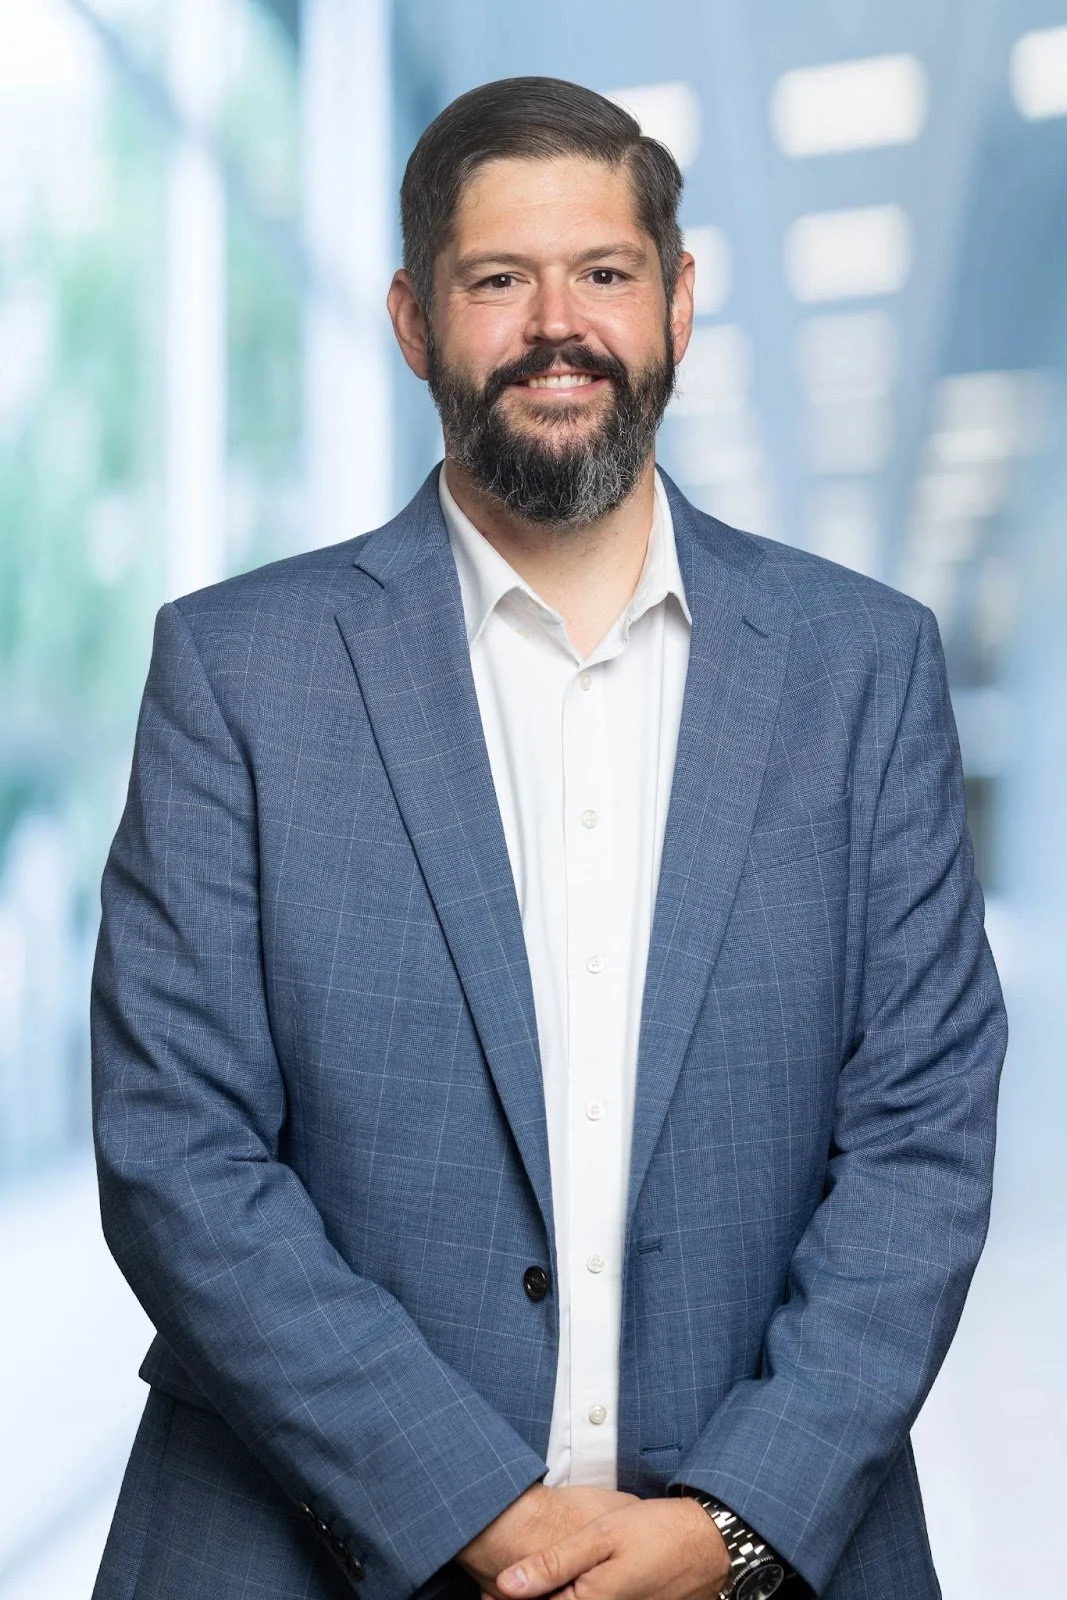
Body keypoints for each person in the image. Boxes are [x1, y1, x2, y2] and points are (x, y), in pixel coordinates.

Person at [91, 77, 1006, 1600]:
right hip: (291, 1547)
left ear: (678, 303)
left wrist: (731, 1525)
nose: (557, 325)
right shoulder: (239, 672)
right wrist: (474, 1512)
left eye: (604, 272)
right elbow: (175, 1149)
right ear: (412, 320)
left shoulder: (863, 667)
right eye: (498, 280)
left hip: (761, 1555)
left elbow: (923, 1132)